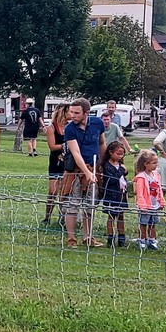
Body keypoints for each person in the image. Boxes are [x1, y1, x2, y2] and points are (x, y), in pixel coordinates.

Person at [61, 97, 106, 248]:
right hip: (75, 170)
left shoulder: (98, 123)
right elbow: (75, 152)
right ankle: (71, 239)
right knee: (73, 203)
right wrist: (86, 172)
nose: (72, 115)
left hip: (94, 167)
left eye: (76, 113)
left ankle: (88, 237)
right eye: (71, 112)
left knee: (90, 204)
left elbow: (101, 143)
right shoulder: (69, 129)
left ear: (86, 113)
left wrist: (103, 164)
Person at [42, 105, 69, 227]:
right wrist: (66, 145)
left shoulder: (70, 127)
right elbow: (52, 146)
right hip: (55, 161)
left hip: (68, 161)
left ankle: (63, 217)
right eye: (69, 112)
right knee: (53, 191)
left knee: (65, 192)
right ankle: (47, 216)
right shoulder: (52, 128)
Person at [133, 149, 165, 250]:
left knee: (153, 223)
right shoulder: (141, 177)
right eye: (154, 163)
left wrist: (161, 201)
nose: (156, 165)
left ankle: (152, 240)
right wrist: (142, 205)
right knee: (143, 223)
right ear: (146, 164)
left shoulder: (156, 175)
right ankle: (142, 239)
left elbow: (159, 189)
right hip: (145, 206)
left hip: (154, 204)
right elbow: (140, 193)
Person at [100, 140, 129, 248]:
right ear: (111, 152)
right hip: (111, 194)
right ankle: (110, 238)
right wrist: (122, 170)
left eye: (122, 154)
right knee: (111, 216)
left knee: (121, 215)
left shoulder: (120, 164)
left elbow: (123, 175)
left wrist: (124, 171)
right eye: (118, 154)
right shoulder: (107, 166)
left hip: (121, 194)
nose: (120, 156)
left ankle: (121, 238)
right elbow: (112, 179)